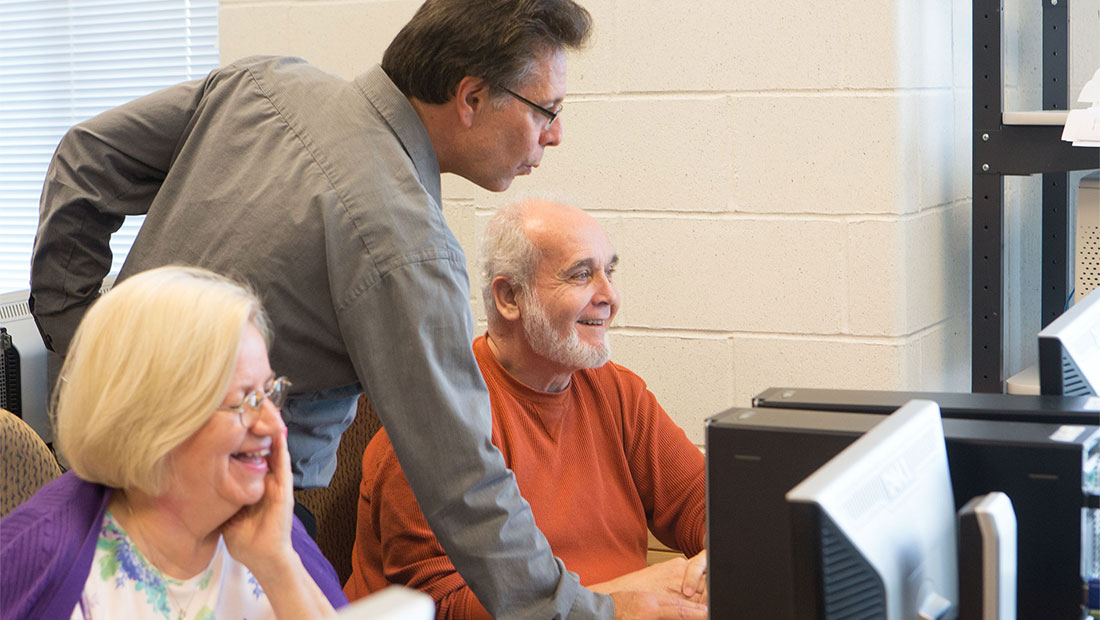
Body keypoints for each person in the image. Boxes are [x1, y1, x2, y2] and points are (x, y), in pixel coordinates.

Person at [24, 1, 670, 618]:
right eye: (545, 111)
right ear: (471, 98)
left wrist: (85, 345)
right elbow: (465, 483)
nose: (554, 135)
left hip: (105, 493)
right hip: (242, 527)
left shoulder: (264, 83)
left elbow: (86, 156)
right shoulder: (408, 247)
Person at [344, 199, 709, 619]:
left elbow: (706, 505)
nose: (609, 296)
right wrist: (612, 606)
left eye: (609, 271)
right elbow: (444, 608)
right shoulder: (437, 421)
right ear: (509, 297)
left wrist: (712, 565)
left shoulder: (616, 392)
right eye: (581, 275)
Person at [0, 266, 345, 620]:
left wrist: (277, 564)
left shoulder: (270, 524)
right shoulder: (38, 558)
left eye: (269, 393)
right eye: (246, 401)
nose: (275, 426)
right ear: (157, 420)